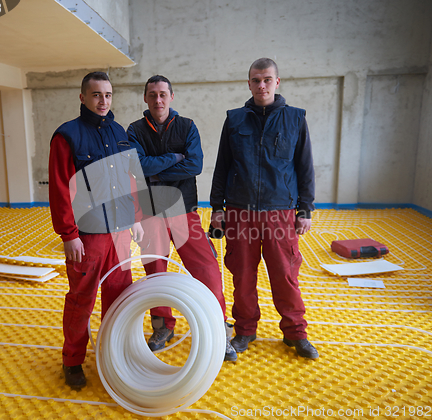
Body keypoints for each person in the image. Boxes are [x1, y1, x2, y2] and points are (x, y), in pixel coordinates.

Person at [210, 58, 319, 359]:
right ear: (249, 83)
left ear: (277, 82)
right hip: (239, 211)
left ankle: (296, 333)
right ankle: (245, 330)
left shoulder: (295, 119)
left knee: (285, 274)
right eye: (256, 80)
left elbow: (305, 167)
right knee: (242, 275)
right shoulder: (234, 119)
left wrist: (305, 209)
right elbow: (222, 166)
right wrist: (217, 208)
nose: (261, 85)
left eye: (267, 80)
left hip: (280, 211)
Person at [127, 75, 237, 362]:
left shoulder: (187, 126)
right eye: (152, 95)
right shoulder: (135, 130)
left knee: (207, 269)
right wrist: (175, 159)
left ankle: (219, 327)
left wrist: (156, 172)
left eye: (163, 94)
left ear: (171, 97)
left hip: (184, 212)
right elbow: (137, 166)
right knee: (155, 273)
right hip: (151, 213)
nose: (158, 100)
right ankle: (162, 327)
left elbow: (195, 165)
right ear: (145, 98)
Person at [49, 71, 144, 389]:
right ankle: (73, 361)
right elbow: (61, 189)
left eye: (108, 95)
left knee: (118, 299)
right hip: (87, 236)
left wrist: (138, 218)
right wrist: (69, 234)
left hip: (119, 234)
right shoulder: (67, 136)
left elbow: (131, 180)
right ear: (82, 98)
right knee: (81, 299)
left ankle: (111, 354)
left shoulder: (119, 133)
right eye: (96, 95)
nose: (103, 101)